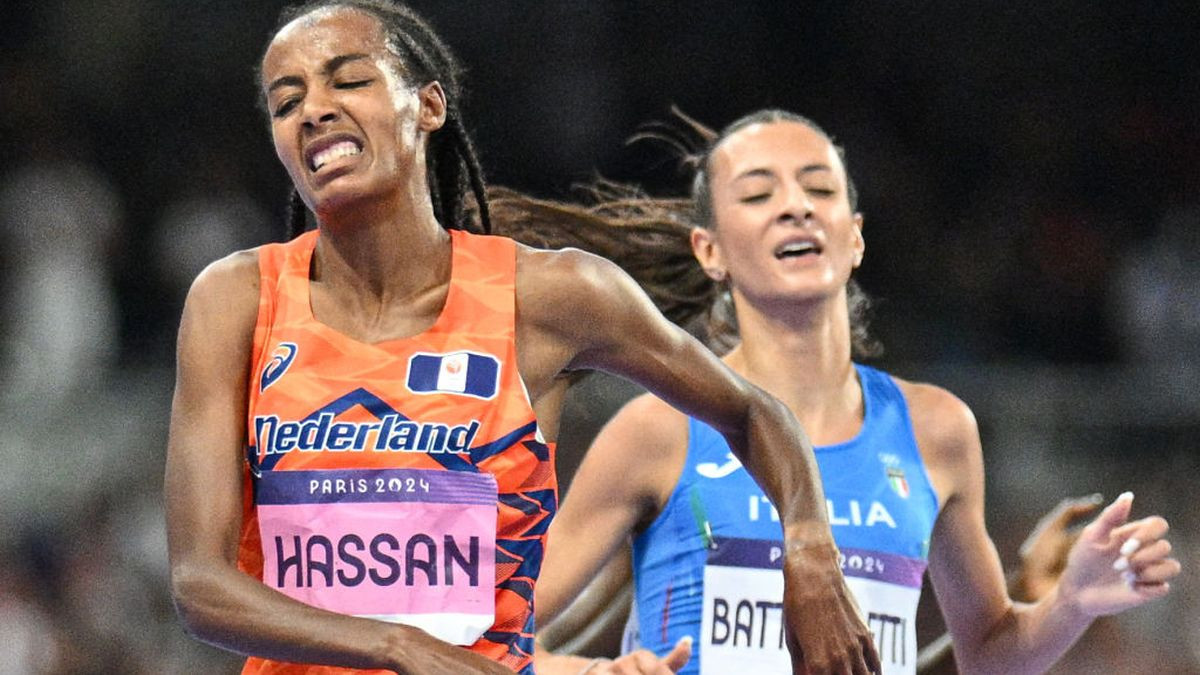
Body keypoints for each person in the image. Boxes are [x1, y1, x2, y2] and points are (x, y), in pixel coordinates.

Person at [164, 4, 878, 674]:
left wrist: (811, 550)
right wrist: (397, 645)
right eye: (286, 103)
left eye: (349, 80)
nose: (314, 110)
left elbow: (755, 413)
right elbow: (201, 583)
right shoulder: (236, 300)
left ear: (429, 107)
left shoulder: (549, 297)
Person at [525, 110, 1180, 674]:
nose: (796, 206)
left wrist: (1073, 601)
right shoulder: (662, 429)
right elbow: (498, 637)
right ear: (710, 250)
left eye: (819, 188)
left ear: (856, 234)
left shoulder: (936, 429)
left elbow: (987, 653)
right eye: (758, 194)